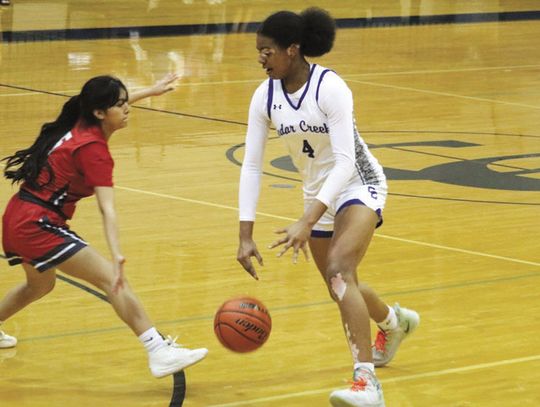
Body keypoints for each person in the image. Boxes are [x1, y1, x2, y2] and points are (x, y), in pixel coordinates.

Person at [236, 8, 419, 407]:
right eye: (259, 51)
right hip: (318, 192)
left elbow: (346, 162)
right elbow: (251, 165)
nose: (261, 58)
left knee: (339, 272)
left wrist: (307, 219)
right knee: (342, 285)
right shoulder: (264, 97)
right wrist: (245, 234)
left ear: (293, 49)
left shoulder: (330, 87)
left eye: (267, 51)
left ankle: (366, 383)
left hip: (359, 184)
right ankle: (394, 322)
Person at [0, 73, 208, 378]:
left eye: (127, 102)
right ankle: (158, 350)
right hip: (36, 223)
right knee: (112, 279)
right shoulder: (93, 150)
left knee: (40, 284)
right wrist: (117, 253)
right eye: (121, 104)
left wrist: (150, 90)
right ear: (100, 112)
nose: (127, 109)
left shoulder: (81, 119)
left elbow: (109, 106)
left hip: (19, 215)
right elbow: (107, 208)